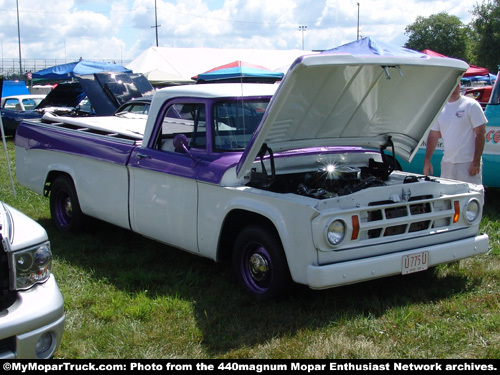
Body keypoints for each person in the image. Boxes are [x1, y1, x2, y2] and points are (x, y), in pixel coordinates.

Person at [423, 84, 487, 185]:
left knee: (469, 198)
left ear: (460, 85)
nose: (454, 89)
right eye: (451, 86)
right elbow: (433, 135)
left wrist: (476, 162)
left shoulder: (471, 105)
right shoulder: (440, 109)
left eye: (457, 86)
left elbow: (480, 133)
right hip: (447, 163)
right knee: (447, 198)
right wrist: (427, 160)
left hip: (467, 163)